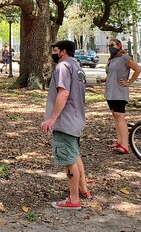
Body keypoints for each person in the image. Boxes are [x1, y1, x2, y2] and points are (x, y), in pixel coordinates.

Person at [41, 40, 90, 210]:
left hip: (66, 120)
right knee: (75, 154)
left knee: (69, 159)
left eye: (55, 50)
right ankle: (83, 189)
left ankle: (73, 199)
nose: (53, 53)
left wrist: (52, 119)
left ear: (62, 52)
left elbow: (64, 92)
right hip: (77, 118)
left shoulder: (62, 67)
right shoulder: (78, 67)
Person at [104, 38, 141, 154]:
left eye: (113, 45)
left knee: (120, 117)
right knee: (115, 116)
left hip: (119, 92)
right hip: (110, 92)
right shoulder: (111, 60)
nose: (110, 47)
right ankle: (120, 141)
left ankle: (125, 144)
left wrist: (129, 82)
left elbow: (137, 69)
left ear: (119, 45)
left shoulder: (125, 58)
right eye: (109, 45)